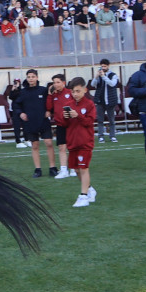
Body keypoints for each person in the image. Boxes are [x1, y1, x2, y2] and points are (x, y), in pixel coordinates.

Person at [57, 77, 97, 208]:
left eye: (78, 91)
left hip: (85, 142)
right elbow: (64, 124)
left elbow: (89, 122)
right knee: (76, 170)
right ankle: (90, 189)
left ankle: (83, 196)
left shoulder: (90, 104)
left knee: (83, 168)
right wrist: (65, 117)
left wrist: (78, 115)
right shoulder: (69, 104)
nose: (75, 94)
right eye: (73, 91)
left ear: (85, 90)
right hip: (72, 142)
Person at [14, 70, 56, 178]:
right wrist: (21, 113)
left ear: (37, 78)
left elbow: (51, 102)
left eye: (33, 76)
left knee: (49, 143)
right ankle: (38, 169)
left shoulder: (43, 90)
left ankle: (53, 168)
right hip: (30, 122)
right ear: (27, 78)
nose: (31, 79)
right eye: (29, 77)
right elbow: (16, 105)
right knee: (35, 145)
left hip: (43, 121)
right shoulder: (22, 92)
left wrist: (49, 111)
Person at [46, 74, 74, 178]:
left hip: (71, 124)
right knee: (62, 147)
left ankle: (73, 169)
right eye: (54, 82)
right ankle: (63, 170)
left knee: (72, 147)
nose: (56, 84)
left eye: (58, 82)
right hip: (60, 124)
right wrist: (49, 94)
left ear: (64, 82)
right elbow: (49, 107)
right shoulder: (54, 95)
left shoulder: (70, 93)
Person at [90, 60, 122, 143]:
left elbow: (112, 84)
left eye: (104, 66)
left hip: (110, 101)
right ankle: (101, 136)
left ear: (108, 66)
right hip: (100, 101)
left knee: (111, 120)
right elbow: (93, 85)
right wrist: (96, 77)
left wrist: (104, 76)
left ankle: (112, 136)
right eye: (102, 66)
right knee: (100, 120)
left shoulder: (113, 75)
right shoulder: (99, 75)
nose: (103, 68)